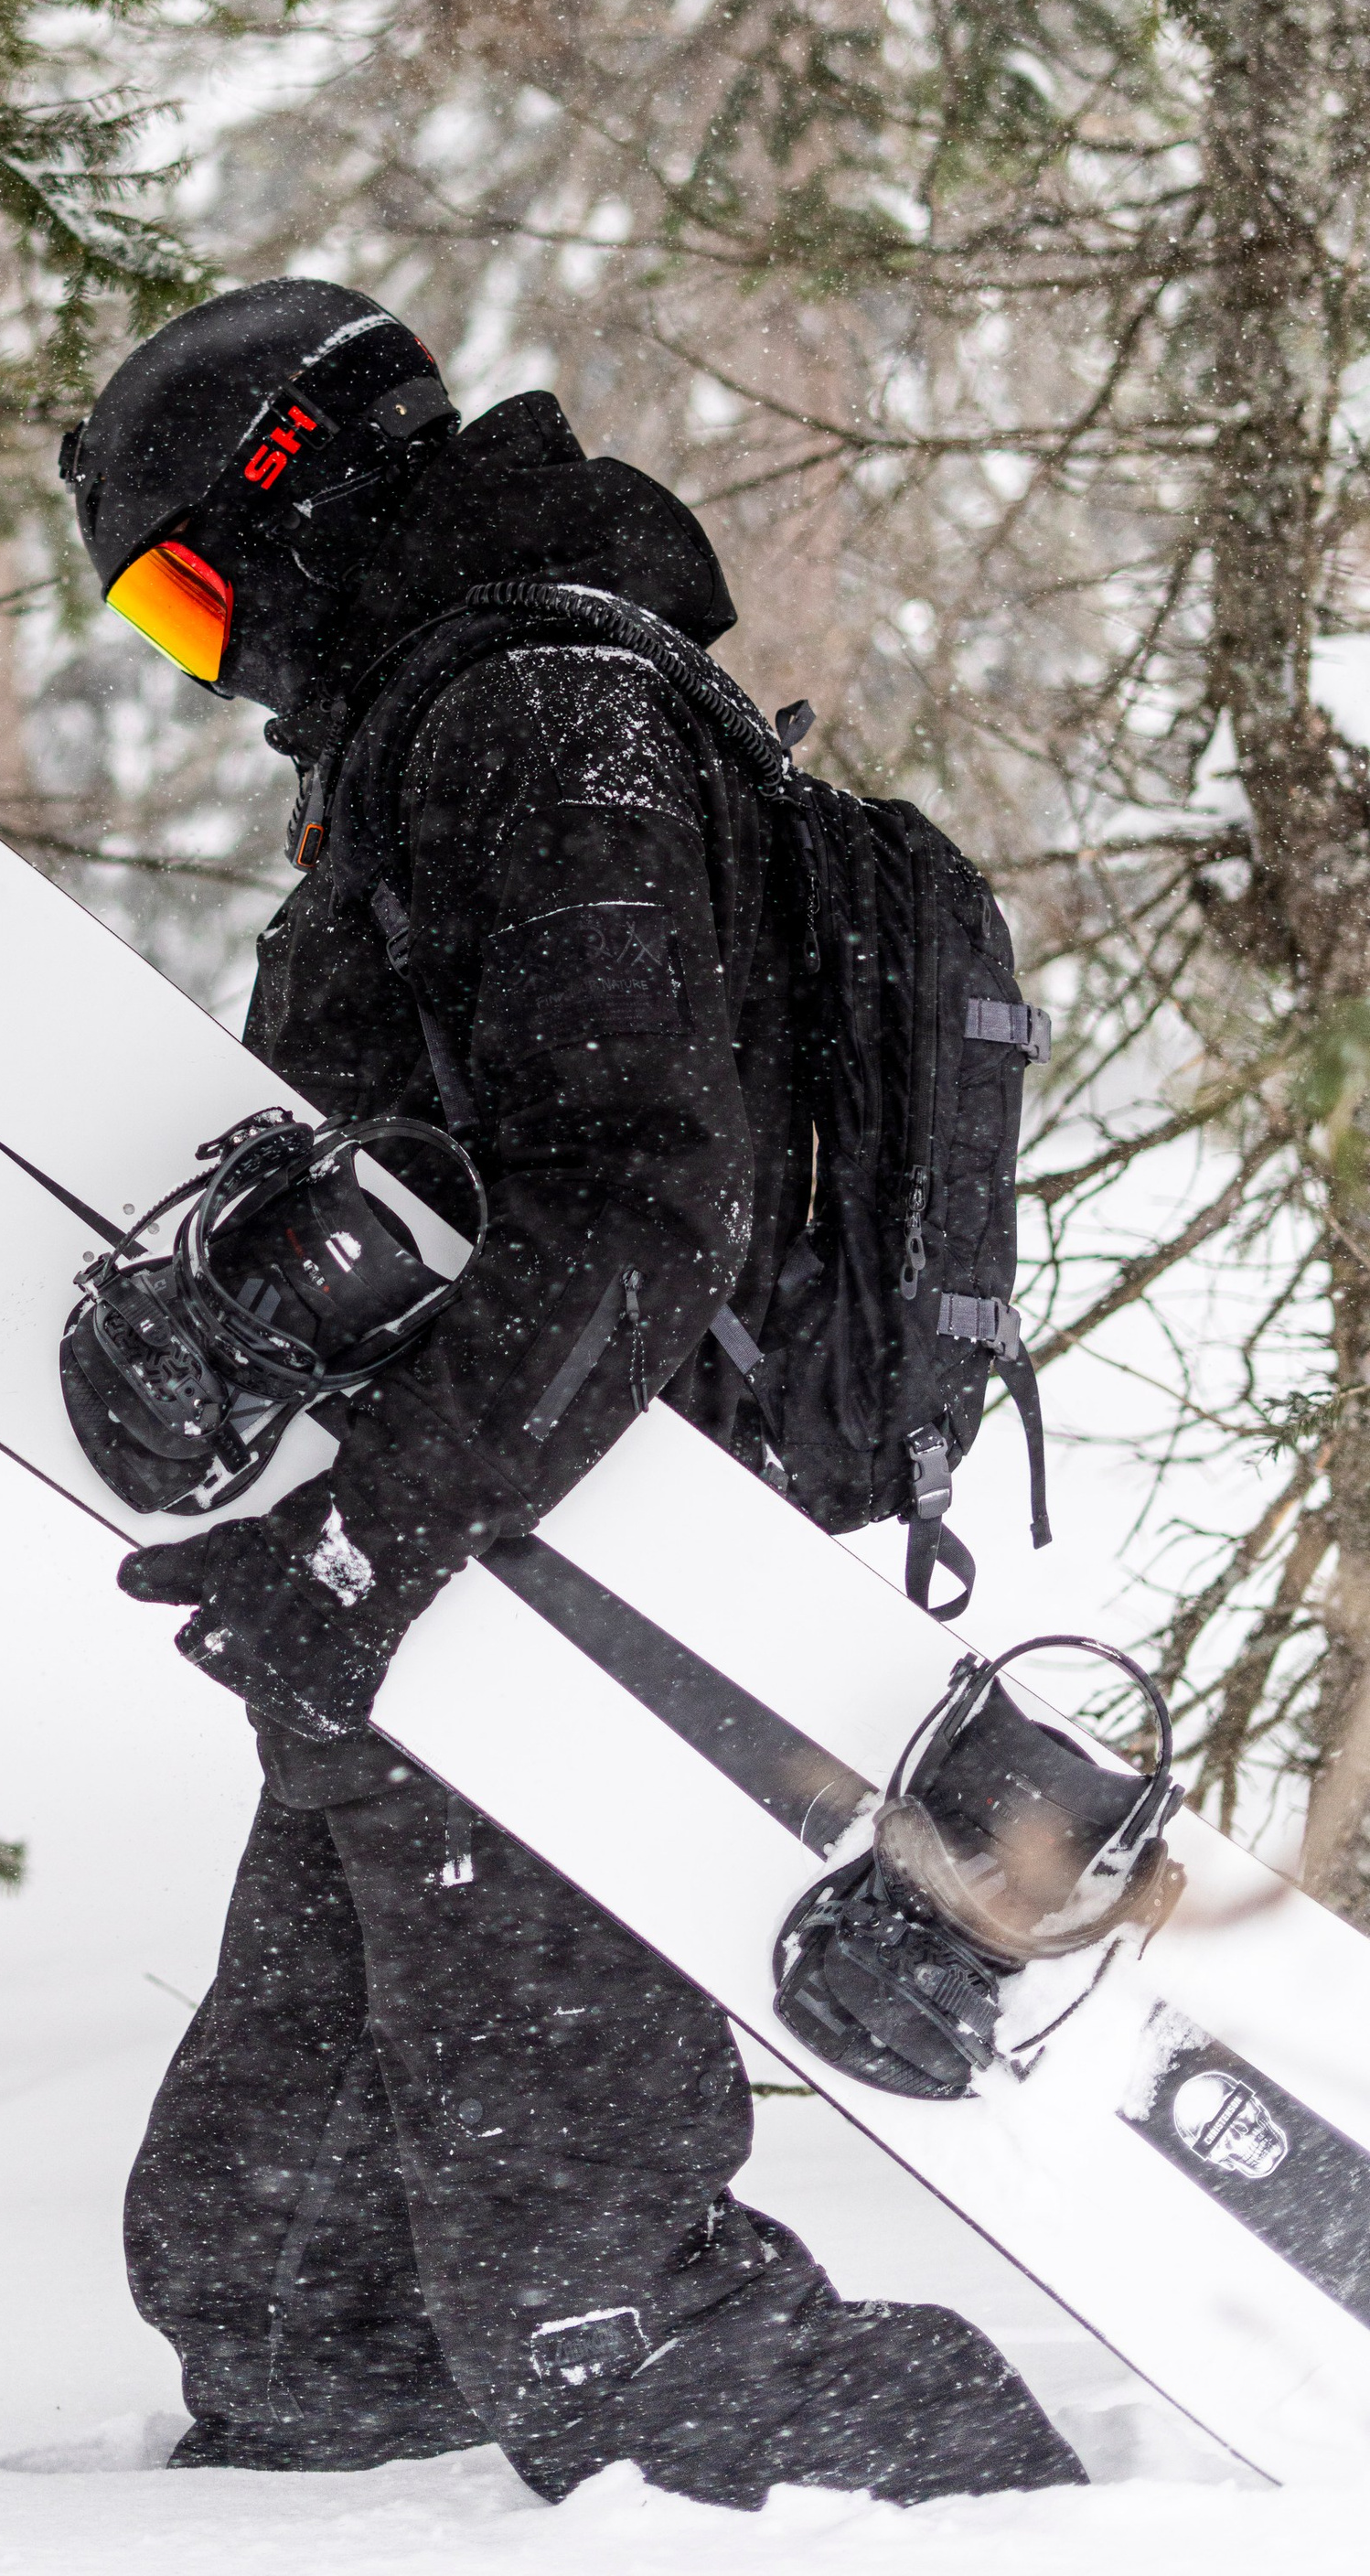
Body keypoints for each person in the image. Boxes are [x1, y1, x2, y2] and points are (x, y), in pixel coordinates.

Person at [59, 278, 1083, 2510]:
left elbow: (639, 1210)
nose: (206, 653)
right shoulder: (460, 723)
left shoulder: (541, 719)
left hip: (579, 1605)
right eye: (156, 621)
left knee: (605, 2327)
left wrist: (365, 1534)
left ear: (297, 499)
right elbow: (420, 1188)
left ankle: (1038, 2538)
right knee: (272, 2278)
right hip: (432, 1623)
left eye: (186, 587)